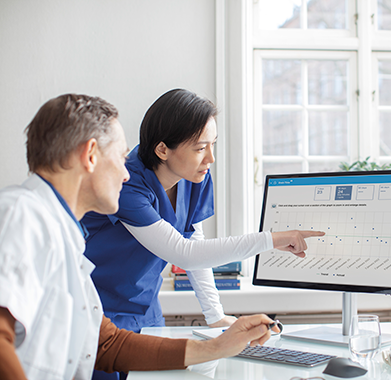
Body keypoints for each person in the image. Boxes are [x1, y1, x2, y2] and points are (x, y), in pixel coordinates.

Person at [0, 94, 283, 380]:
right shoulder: (21, 214)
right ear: (90, 155)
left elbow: (108, 344)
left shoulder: (64, 235)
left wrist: (218, 345)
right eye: (121, 158)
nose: (126, 174)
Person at [80, 89, 323, 379]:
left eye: (213, 145)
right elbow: (183, 254)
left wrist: (215, 315)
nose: (211, 158)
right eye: (199, 148)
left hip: (146, 309)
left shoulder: (195, 175)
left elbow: (195, 240)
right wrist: (271, 239)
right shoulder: (127, 184)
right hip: (101, 312)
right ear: (162, 150)